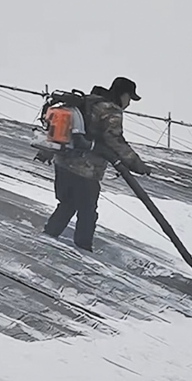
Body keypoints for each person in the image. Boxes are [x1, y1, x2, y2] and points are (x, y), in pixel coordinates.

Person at [36, 77, 151, 252]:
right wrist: (137, 165)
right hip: (85, 170)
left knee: (67, 204)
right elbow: (115, 141)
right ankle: (83, 249)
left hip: (63, 162)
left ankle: (48, 236)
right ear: (123, 94)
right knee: (87, 212)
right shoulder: (111, 110)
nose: (129, 103)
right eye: (130, 98)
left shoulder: (88, 101)